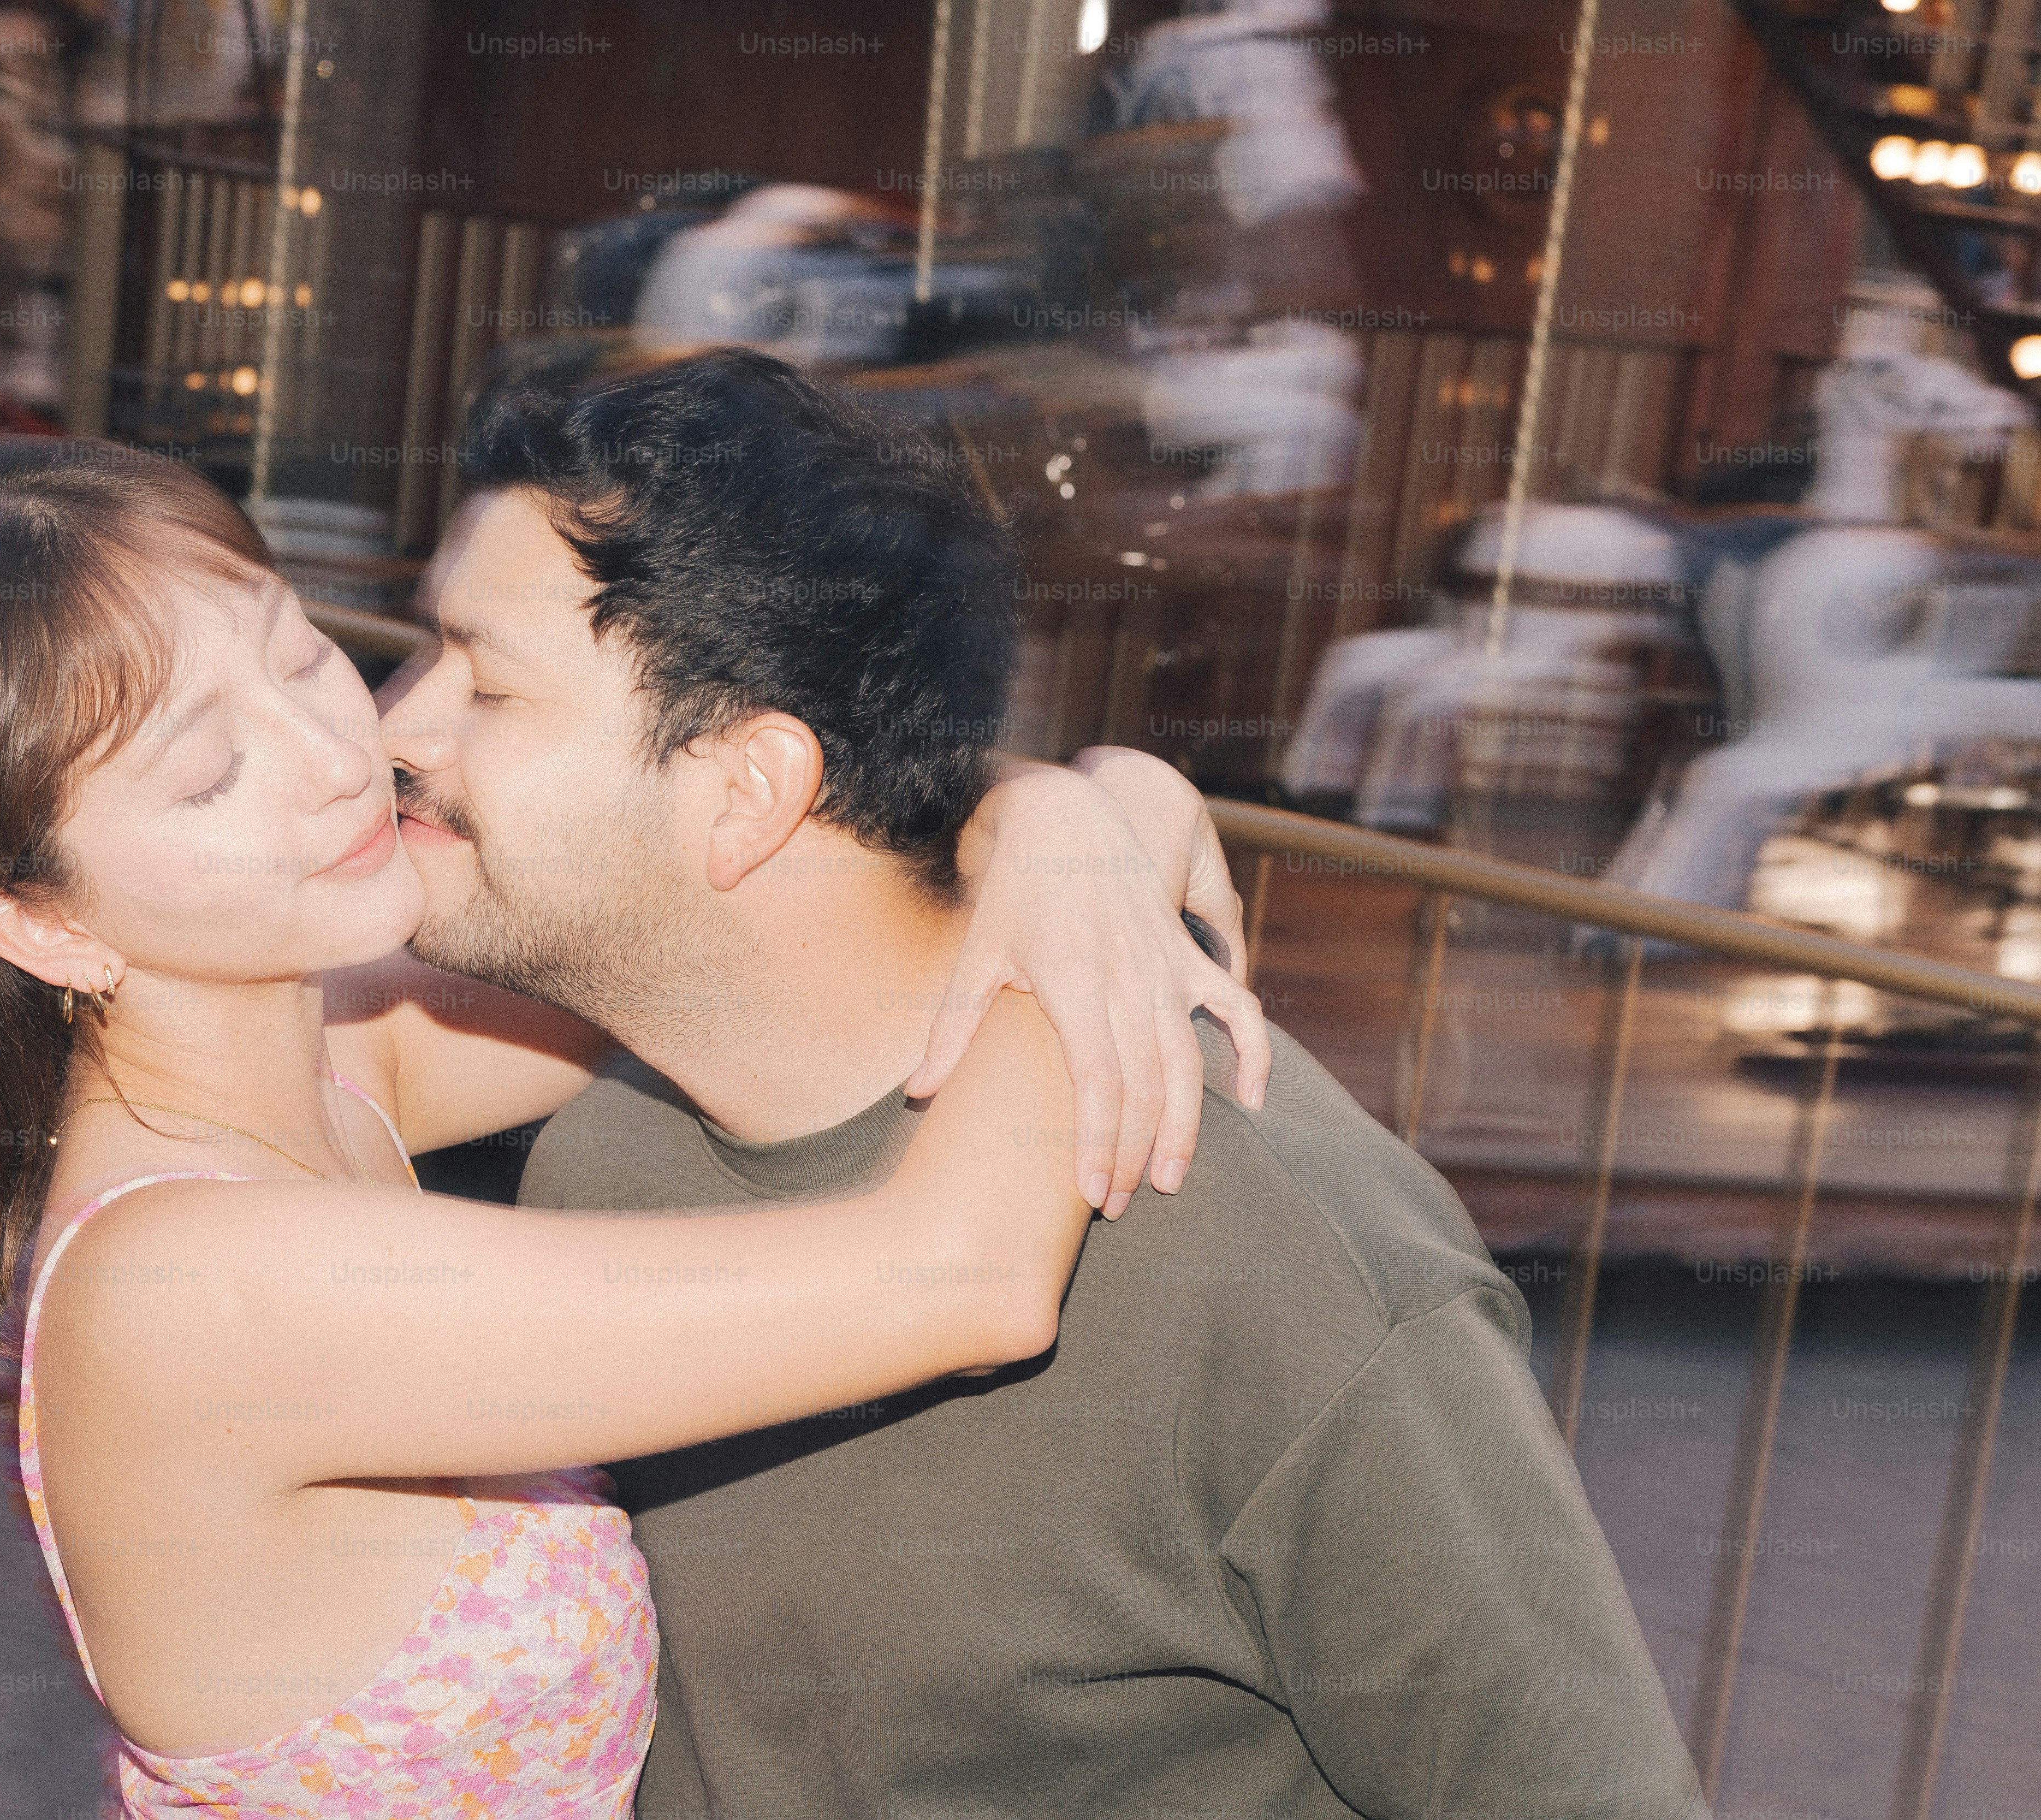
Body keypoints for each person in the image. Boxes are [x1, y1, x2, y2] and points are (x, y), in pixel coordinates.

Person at [0, 436, 1264, 1815]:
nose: (340, 757)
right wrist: (1099, 848)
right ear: (36, 921)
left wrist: (1056, 802)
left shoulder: (343, 1057)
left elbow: (748, 861)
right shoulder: (195, 1292)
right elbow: (960, 1279)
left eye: (300, 654)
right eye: (212, 773)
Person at [378, 348, 1713, 1817]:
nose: (397, 729)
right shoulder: (603, 1149)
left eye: (485, 683)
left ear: (749, 791)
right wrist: (1081, 795)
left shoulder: (1263, 1246)